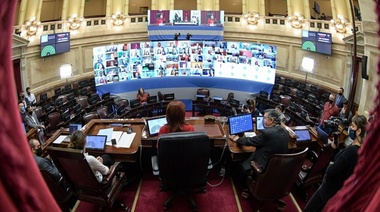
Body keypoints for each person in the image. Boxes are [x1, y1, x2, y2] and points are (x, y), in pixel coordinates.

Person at [304, 115, 368, 212]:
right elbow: (341, 160)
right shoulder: (356, 147)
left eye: (353, 126)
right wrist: (335, 148)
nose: (350, 128)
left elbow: (331, 170)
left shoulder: (352, 151)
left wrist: (331, 165)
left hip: (328, 187)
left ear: (359, 131)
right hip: (333, 188)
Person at [229, 109, 289, 173]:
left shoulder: (267, 133)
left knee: (240, 165)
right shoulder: (286, 131)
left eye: (264, 118)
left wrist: (237, 139)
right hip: (277, 166)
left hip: (262, 167)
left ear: (271, 120)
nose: (262, 119)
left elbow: (250, 141)